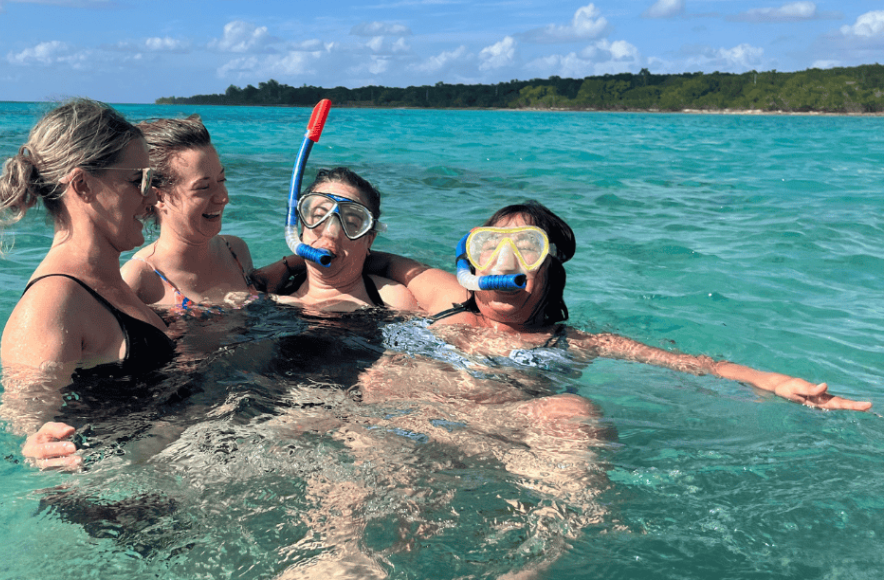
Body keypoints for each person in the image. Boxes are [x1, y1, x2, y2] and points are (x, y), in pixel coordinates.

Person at [371, 200, 872, 412]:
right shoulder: (448, 303)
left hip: (506, 432)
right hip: (411, 420)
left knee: (572, 415)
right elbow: (389, 261)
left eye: (525, 252)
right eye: (489, 250)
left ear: (548, 276)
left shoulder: (577, 343)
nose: (503, 265)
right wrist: (290, 269)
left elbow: (696, 365)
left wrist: (774, 382)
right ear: (469, 265)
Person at [0, 99, 175, 469]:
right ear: (81, 185)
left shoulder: (109, 282)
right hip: (121, 509)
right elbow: (24, 423)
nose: (152, 195)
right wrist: (35, 441)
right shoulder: (52, 301)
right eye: (138, 180)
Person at [121, 115, 256, 311]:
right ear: (157, 197)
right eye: (203, 187)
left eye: (222, 180)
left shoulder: (236, 251)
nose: (223, 198)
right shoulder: (140, 279)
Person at [276, 166, 420, 312]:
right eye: (319, 216)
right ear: (302, 225)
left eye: (350, 223)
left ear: (369, 240)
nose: (330, 232)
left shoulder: (392, 302)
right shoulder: (272, 295)